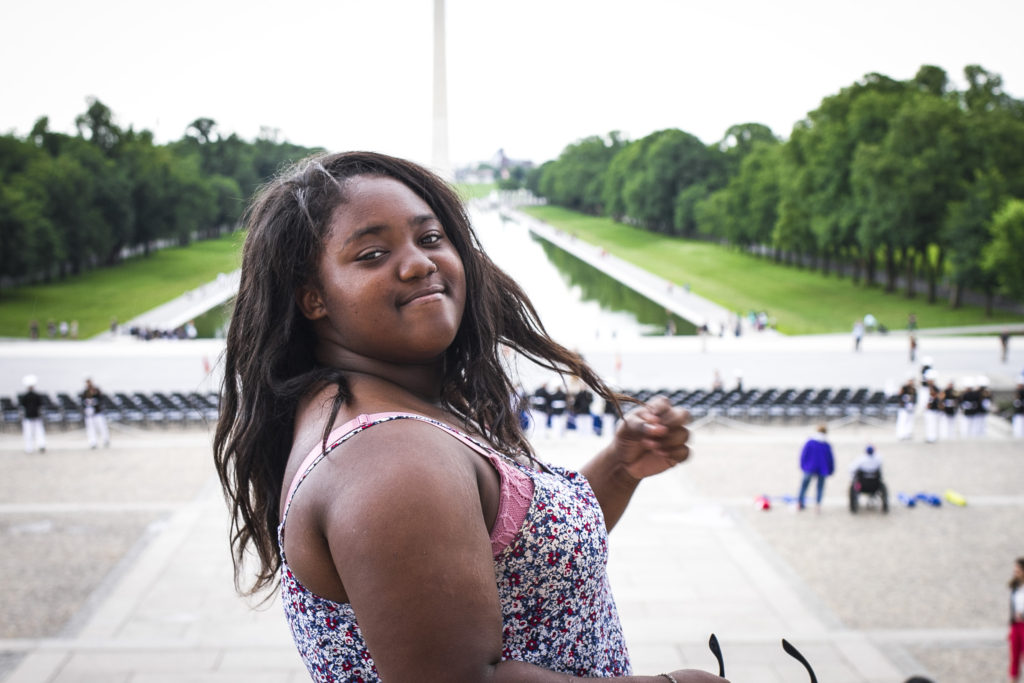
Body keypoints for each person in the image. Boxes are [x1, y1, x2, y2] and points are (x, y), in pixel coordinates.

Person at [212, 151, 724, 683]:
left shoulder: (381, 411)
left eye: (430, 238)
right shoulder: (390, 460)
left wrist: (619, 468)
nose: (418, 263)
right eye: (372, 254)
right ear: (312, 298)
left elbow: (516, 558)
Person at [797, 424, 834, 513]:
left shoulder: (810, 442)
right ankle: (817, 505)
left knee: (804, 486)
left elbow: (803, 454)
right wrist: (831, 469)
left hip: (809, 467)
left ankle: (800, 503)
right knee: (820, 487)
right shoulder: (826, 444)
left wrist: (802, 465)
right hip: (822, 468)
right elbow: (830, 458)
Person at [848, 445, 887, 513]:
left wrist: (852, 478)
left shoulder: (861, 460)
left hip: (861, 486)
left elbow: (851, 469)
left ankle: (853, 507)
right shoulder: (878, 459)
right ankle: (885, 506)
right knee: (883, 484)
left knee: (852, 485)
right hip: (875, 486)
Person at [18, 375, 46, 454]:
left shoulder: (28, 396)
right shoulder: (33, 396)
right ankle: (31, 447)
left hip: (33, 416)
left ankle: (38, 446)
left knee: (36, 432)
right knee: (30, 433)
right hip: (31, 416)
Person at [80, 377, 110, 449]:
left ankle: (105, 439)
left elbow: (101, 400)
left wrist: (95, 402)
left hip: (98, 412)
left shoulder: (97, 390)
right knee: (91, 429)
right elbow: (82, 402)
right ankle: (93, 442)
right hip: (89, 414)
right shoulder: (85, 392)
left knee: (102, 427)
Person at [1009, 557, 1024, 682]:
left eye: (1018, 569)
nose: (1015, 571)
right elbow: (1013, 606)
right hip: (1016, 626)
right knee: (1014, 658)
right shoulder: (1015, 586)